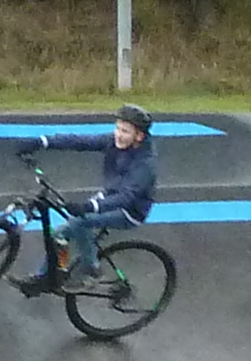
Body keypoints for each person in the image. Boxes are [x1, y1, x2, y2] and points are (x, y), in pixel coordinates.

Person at [15, 103, 160, 294]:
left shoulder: (145, 164)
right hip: (110, 196)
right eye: (117, 128)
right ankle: (44, 278)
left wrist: (91, 206)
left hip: (129, 211)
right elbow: (80, 141)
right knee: (60, 233)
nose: (118, 134)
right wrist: (42, 142)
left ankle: (91, 271)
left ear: (139, 136)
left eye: (125, 131)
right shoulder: (113, 141)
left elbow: (126, 197)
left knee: (79, 222)